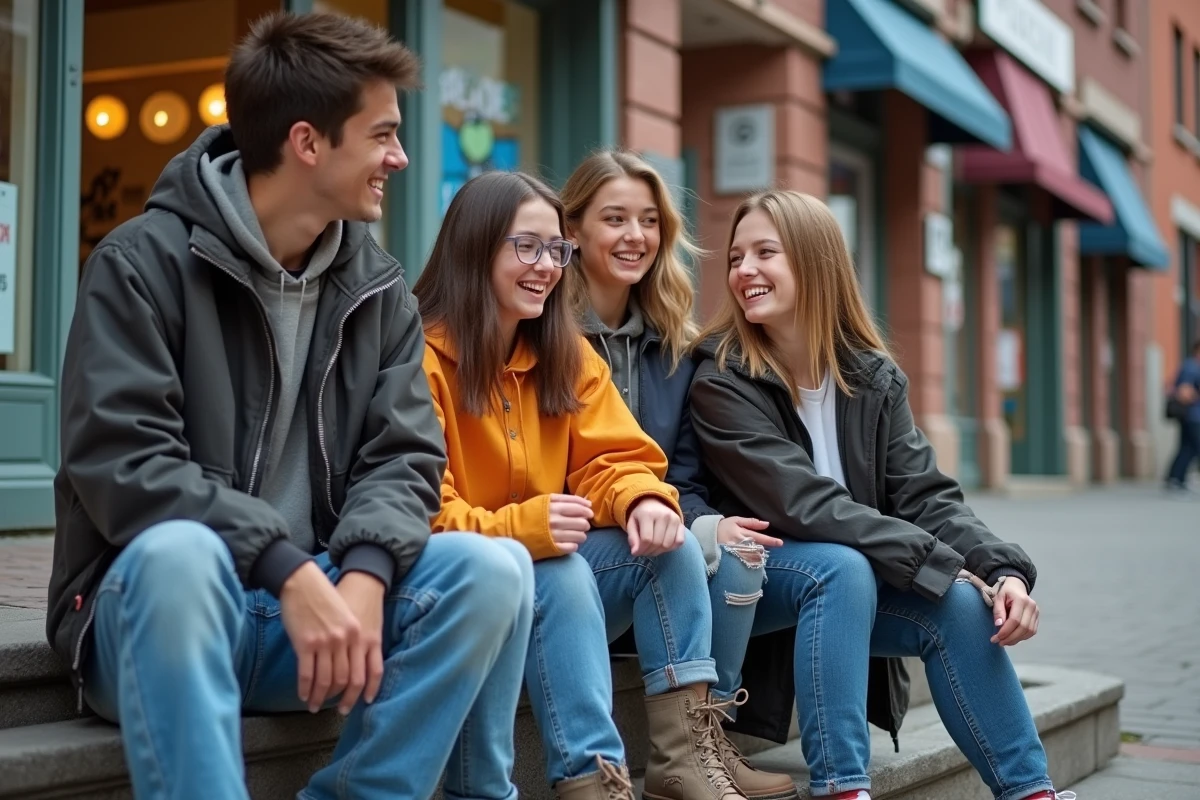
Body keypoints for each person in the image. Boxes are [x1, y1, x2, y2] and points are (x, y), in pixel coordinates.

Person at [45, 13, 534, 800]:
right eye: (382, 136)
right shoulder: (141, 264)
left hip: (320, 624)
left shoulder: (378, 290)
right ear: (308, 143)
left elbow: (405, 456)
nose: (399, 158)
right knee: (181, 555)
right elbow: (124, 465)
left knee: (493, 567)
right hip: (160, 618)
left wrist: (366, 575)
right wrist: (288, 569)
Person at [687, 190, 1073, 800]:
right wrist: (936, 563)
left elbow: (927, 496)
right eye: (736, 257)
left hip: (851, 587)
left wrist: (1001, 571)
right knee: (839, 568)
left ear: (816, 263)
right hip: (754, 583)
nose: (743, 271)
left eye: (765, 252)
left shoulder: (871, 376)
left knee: (965, 609)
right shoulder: (721, 378)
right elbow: (805, 503)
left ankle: (1032, 793)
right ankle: (844, 788)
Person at [412, 170, 744, 800]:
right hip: (457, 580)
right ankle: (594, 783)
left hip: (546, 568)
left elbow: (610, 455)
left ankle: (683, 759)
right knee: (560, 571)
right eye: (526, 247)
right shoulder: (421, 357)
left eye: (556, 251)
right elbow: (421, 513)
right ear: (476, 247)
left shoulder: (565, 351)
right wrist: (528, 528)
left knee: (668, 548)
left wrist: (641, 498)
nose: (547, 267)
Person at [560, 149, 796, 800]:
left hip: (653, 536)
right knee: (685, 553)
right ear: (572, 229)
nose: (636, 236)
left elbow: (683, 478)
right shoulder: (541, 333)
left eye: (649, 220)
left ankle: (705, 746)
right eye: (615, 218)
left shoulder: (678, 348)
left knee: (739, 551)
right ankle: (664, 759)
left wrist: (709, 525)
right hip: (577, 545)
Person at [1165, 339, 1200, 494]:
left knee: (1187, 448)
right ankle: (1176, 479)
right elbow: (1184, 392)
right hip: (1193, 416)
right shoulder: (1191, 367)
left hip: (1192, 416)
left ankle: (1176, 479)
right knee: (1191, 448)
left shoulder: (1190, 366)